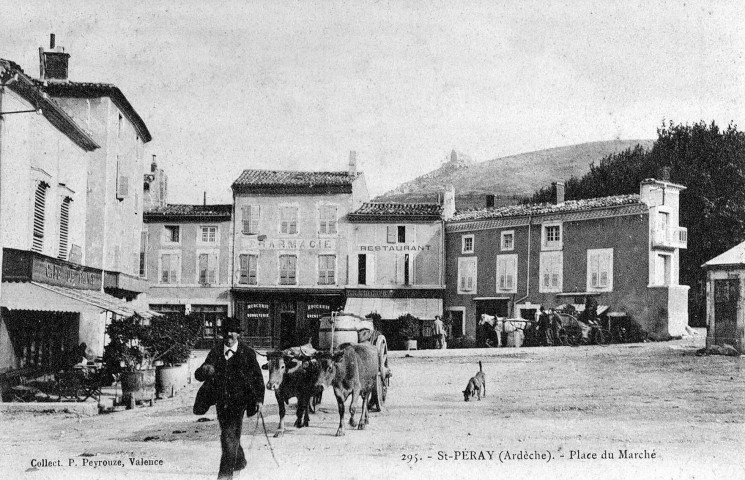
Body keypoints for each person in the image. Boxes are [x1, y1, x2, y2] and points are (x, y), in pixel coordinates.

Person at [193, 317, 265, 480]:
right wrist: (205, 370)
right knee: (229, 434)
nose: (229, 335)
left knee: (228, 435)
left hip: (240, 402)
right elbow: (199, 375)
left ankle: (225, 474)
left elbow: (257, 378)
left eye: (233, 331)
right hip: (221, 401)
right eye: (226, 331)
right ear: (222, 334)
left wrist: (259, 399)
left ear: (238, 334)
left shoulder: (247, 353)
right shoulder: (216, 351)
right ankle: (239, 461)